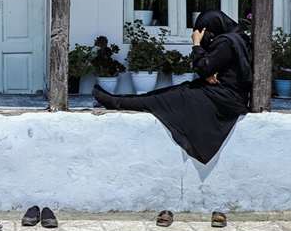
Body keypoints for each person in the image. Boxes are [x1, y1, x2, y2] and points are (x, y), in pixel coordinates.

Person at [92, 9, 253, 165]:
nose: (207, 37)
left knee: (168, 98)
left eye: (206, 33)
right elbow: (209, 67)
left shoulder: (226, 42)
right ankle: (120, 100)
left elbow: (204, 67)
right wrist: (206, 71)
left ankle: (116, 102)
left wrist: (196, 44)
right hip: (224, 95)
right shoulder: (236, 39)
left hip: (222, 99)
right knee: (172, 92)